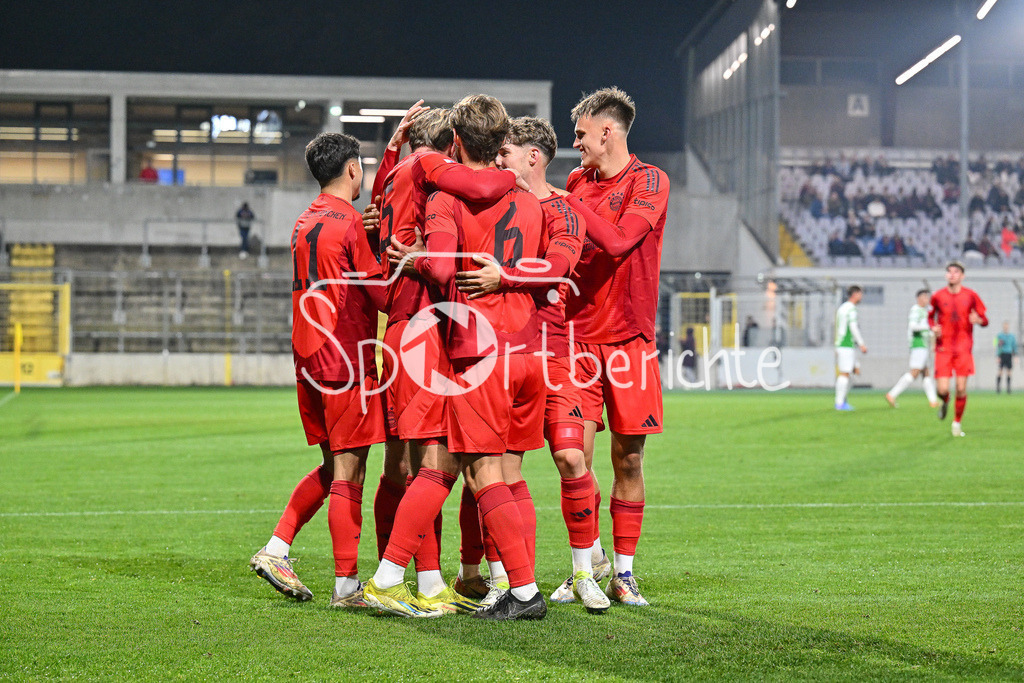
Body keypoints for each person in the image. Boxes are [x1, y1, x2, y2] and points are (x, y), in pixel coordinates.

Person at [368, 94, 548, 621]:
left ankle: (513, 588)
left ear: (457, 142)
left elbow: (445, 270)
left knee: (462, 470)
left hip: (478, 352)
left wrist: (417, 256)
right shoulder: (530, 202)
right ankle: (509, 585)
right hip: (528, 349)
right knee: (497, 473)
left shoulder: (447, 199)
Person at [454, 116, 606, 613]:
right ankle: (507, 582)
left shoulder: (564, 209)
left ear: (533, 157)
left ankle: (586, 571)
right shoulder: (498, 201)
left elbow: (559, 266)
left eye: (506, 153)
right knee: (503, 469)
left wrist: (507, 279)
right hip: (506, 351)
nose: (498, 161)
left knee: (570, 456)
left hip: (555, 353)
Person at [249, 132, 386, 609]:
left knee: (333, 468)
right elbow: (382, 294)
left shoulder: (304, 220)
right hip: (345, 360)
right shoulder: (349, 223)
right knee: (350, 473)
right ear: (352, 170)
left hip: (307, 358)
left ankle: (276, 548)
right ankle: (347, 587)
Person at [556, 87, 670, 607]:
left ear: (607, 131)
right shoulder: (577, 181)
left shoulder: (650, 180)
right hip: (577, 336)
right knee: (571, 454)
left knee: (628, 460)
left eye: (580, 134)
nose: (575, 144)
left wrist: (563, 204)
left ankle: (622, 573)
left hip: (629, 340)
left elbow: (622, 241)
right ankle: (586, 562)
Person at [930, 261, 988, 437]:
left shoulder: (971, 295)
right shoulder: (938, 296)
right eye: (949, 272)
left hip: (963, 348)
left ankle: (956, 422)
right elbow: (930, 317)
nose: (952, 274)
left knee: (961, 388)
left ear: (962, 276)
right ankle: (945, 401)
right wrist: (933, 327)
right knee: (942, 389)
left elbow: (985, 320)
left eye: (956, 272)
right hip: (944, 348)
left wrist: (979, 320)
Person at [885, 289, 940, 408]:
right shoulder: (916, 310)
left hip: (924, 345)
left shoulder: (924, 311)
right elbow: (913, 326)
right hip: (918, 344)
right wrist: (929, 327)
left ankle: (933, 401)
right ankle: (892, 394)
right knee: (914, 372)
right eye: (925, 297)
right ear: (919, 298)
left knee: (926, 373)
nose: (927, 300)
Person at [834, 285, 867, 411]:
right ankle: (839, 403)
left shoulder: (842, 308)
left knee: (852, 372)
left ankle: (842, 400)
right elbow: (853, 327)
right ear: (855, 294)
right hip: (845, 344)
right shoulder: (851, 309)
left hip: (844, 344)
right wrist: (861, 343)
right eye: (860, 294)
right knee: (845, 373)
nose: (861, 296)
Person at [996, 321, 1016, 393]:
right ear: (1003, 326)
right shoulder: (999, 336)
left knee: (1009, 371)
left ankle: (1008, 388)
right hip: (1002, 354)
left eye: (1007, 326)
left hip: (1009, 354)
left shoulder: (1012, 336)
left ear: (1008, 326)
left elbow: (1014, 346)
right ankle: (998, 387)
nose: (1006, 327)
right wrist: (997, 356)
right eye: (1005, 325)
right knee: (1000, 371)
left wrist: (1015, 355)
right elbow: (997, 346)